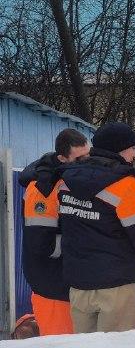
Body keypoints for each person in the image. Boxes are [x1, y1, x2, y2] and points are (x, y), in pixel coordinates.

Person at [58, 122, 135, 333]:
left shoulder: (67, 180)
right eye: (133, 148)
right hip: (115, 285)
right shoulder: (126, 184)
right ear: (121, 149)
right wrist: (132, 263)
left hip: (78, 284)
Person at [19, 128, 89, 336]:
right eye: (79, 158)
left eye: (88, 155)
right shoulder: (43, 189)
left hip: (65, 284)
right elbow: (41, 244)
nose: (86, 162)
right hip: (51, 287)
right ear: (62, 158)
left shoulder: (67, 180)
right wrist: (81, 243)